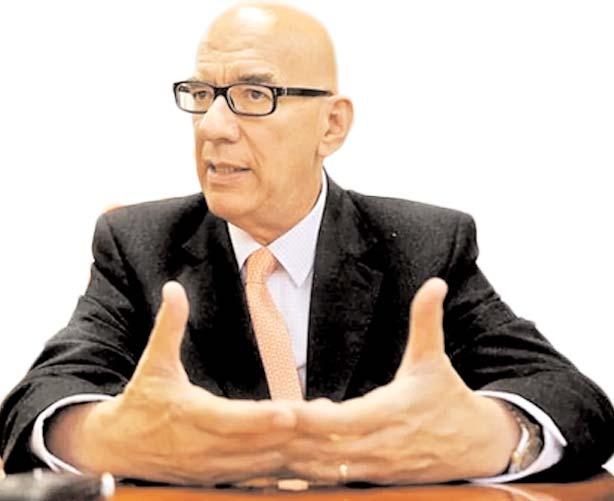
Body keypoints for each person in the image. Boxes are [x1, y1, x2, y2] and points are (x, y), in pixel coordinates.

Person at [0, 2, 612, 487]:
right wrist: (108, 437)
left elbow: (572, 398)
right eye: (201, 95)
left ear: (332, 125)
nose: (213, 126)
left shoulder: (423, 246)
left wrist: (487, 437)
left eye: (254, 95)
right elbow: (38, 398)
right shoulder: (138, 245)